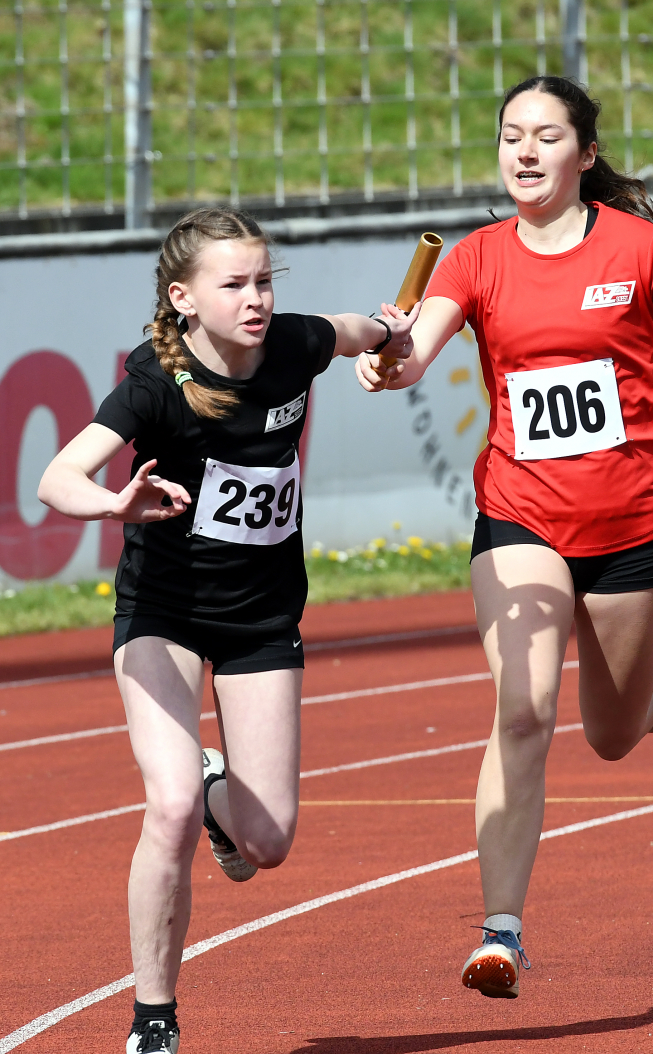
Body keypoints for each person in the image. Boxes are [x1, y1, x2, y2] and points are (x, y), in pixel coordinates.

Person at [356, 76, 653, 1000]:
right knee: (524, 708)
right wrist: (391, 360)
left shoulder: (640, 248)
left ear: (583, 154)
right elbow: (417, 351)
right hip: (520, 515)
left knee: (612, 738)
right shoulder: (477, 258)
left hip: (632, 527)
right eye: (510, 137)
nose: (525, 152)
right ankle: (501, 929)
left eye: (545, 137)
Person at [38, 206, 416, 1053]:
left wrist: (392, 331)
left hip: (260, 615)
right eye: (234, 285)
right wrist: (113, 504)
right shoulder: (151, 382)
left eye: (264, 281)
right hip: (163, 612)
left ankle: (220, 788)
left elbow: (359, 330)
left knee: (270, 842)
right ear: (183, 297)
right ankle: (154, 1021)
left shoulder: (294, 344)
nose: (256, 299)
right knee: (164, 808)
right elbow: (56, 476)